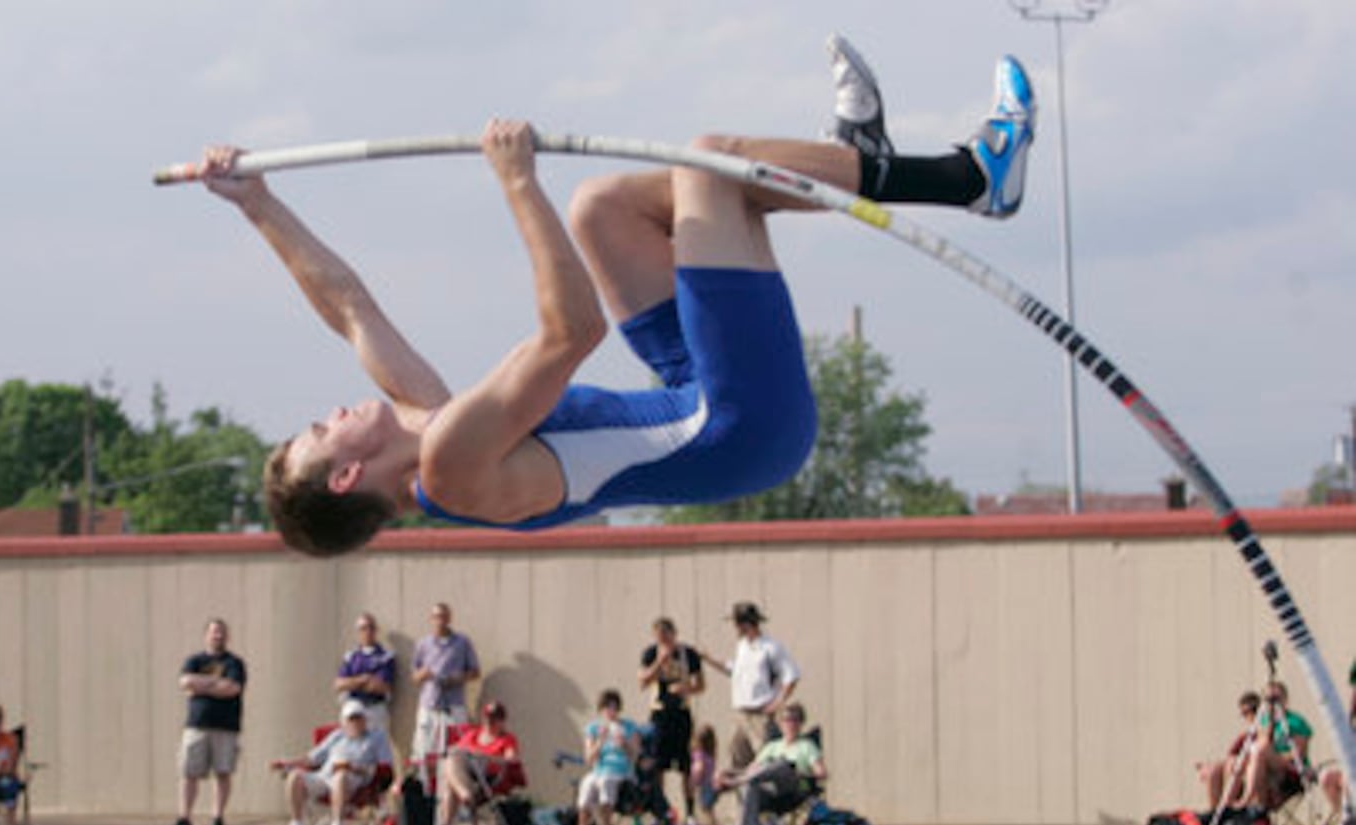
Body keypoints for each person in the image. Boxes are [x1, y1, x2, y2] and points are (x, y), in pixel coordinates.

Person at [199, 36, 1035, 556]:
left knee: (606, 208)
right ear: (345, 476)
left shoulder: (428, 427)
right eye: (319, 433)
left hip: (687, 393)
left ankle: (852, 160)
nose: (328, 414)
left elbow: (346, 305)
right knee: (711, 164)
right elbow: (570, 334)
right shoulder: (453, 465)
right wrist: (516, 182)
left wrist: (259, 205)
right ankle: (968, 177)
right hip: (738, 423)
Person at [269, 700, 395, 825]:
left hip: (355, 779)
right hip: (325, 776)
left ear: (365, 719)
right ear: (343, 722)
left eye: (359, 718)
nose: (355, 723)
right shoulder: (336, 736)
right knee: (295, 776)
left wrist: (352, 768)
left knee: (340, 777)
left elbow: (386, 768)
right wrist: (287, 764)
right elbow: (312, 759)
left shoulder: (376, 737)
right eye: (351, 719)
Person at [701, 601, 801, 769]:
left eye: (736, 624)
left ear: (745, 624)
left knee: (763, 759)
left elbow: (791, 676)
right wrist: (710, 660)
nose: (734, 629)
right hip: (741, 713)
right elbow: (734, 670)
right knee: (737, 756)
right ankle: (744, 795)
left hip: (760, 714)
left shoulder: (770, 648)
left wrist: (778, 702)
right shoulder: (742, 646)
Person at [174, 618, 247, 825]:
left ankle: (217, 818)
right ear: (206, 635)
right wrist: (215, 684)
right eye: (214, 632)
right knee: (189, 773)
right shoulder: (194, 660)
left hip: (226, 726)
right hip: (197, 725)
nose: (218, 636)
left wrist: (201, 686)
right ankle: (184, 818)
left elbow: (232, 688)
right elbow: (185, 682)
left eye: (222, 632)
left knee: (223, 773)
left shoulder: (234, 663)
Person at [723, 702, 827, 825]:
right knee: (751, 784)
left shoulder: (806, 746)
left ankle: (738, 781)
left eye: (794, 720)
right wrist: (730, 773)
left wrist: (803, 773)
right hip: (769, 788)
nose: (790, 724)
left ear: (801, 723)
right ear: (781, 724)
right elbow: (753, 768)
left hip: (795, 786)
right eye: (786, 720)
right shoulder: (772, 746)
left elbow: (821, 773)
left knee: (782, 764)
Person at [638, 616, 704, 825]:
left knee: (686, 765)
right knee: (658, 766)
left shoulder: (689, 654)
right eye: (659, 637)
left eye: (667, 636)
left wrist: (687, 689)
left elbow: (701, 685)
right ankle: (662, 812)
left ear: (674, 634)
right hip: (660, 715)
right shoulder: (650, 654)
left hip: (681, 714)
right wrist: (659, 661)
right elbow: (643, 681)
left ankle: (691, 813)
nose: (664, 641)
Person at [437, 700, 521, 825]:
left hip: (488, 775)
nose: (490, 724)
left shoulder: (507, 739)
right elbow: (458, 750)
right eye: (488, 719)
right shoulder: (474, 734)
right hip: (467, 774)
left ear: (502, 721)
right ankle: (464, 798)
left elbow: (512, 760)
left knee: (451, 774)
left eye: (494, 720)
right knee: (451, 760)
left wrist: (485, 756)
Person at [573, 689, 645, 825]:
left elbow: (636, 754)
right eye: (606, 707)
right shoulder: (594, 728)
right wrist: (599, 742)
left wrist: (625, 744)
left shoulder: (629, 726)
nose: (610, 711)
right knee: (586, 785)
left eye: (613, 707)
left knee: (606, 783)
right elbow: (589, 758)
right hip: (599, 770)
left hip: (622, 771)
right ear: (601, 709)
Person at [410, 603, 480, 758]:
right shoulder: (423, 644)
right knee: (423, 752)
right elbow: (414, 677)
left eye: (443, 616)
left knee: (457, 752)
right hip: (429, 705)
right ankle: (425, 782)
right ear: (431, 619)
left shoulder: (462, 642)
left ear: (449, 619)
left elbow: (475, 672)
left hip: (454, 705)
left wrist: (457, 678)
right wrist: (423, 674)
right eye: (436, 617)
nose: (439, 621)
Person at [1233, 680, 1312, 812]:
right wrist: (1270, 724)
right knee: (1232, 763)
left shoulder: (1295, 722)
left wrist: (1273, 756)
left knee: (1260, 751)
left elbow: (1299, 754)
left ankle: (1248, 799)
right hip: (1265, 764)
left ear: (1285, 700)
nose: (1272, 704)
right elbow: (1260, 744)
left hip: (1291, 767)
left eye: (1275, 699)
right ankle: (1227, 805)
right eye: (1268, 700)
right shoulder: (1263, 721)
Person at [1196, 691, 1261, 810]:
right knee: (1214, 770)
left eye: (1253, 711)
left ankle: (1227, 807)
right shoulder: (1245, 737)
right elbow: (1231, 754)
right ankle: (1215, 812)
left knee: (1232, 764)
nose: (1250, 717)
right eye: (1245, 714)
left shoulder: (1271, 731)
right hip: (1238, 773)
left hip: (1256, 775)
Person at [333, 612, 395, 733]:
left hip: (374, 709)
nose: (367, 632)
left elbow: (380, 687)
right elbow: (339, 684)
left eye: (371, 627)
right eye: (363, 628)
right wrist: (362, 679)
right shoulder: (350, 656)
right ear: (358, 632)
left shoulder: (385, 656)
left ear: (376, 630)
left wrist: (352, 684)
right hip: (352, 707)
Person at [687, 724, 722, 825]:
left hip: (705, 785)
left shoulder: (699, 755)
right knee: (708, 808)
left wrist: (694, 781)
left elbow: (699, 768)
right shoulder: (710, 755)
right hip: (711, 784)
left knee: (706, 808)